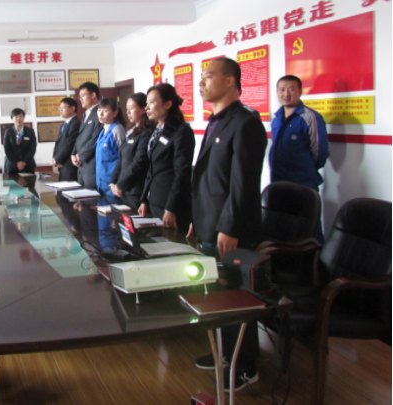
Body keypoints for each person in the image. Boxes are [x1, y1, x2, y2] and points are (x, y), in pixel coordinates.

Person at [187, 57, 267, 393]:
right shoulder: (217, 121)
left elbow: (243, 184)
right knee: (218, 295)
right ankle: (224, 353)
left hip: (231, 229)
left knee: (236, 298)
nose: (201, 83)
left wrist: (230, 227)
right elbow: (207, 178)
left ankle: (246, 366)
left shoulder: (246, 123)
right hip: (210, 222)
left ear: (231, 80)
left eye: (208, 76)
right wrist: (197, 218)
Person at [270, 75, 330, 241]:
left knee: (309, 228)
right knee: (283, 226)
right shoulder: (277, 117)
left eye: (291, 89)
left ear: (300, 91)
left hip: (303, 183)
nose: (286, 94)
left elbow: (320, 152)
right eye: (282, 90)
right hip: (279, 181)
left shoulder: (310, 117)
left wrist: (306, 169)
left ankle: (317, 257)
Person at [138, 85, 195, 231]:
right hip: (155, 200)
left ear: (168, 104)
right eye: (147, 103)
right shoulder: (156, 131)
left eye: (152, 102)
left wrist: (171, 208)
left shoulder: (181, 131)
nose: (147, 107)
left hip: (171, 205)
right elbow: (151, 168)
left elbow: (182, 173)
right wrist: (144, 199)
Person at [110, 93, 155, 210]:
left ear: (143, 110)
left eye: (131, 108)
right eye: (127, 109)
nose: (128, 112)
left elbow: (138, 162)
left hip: (135, 190)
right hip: (123, 190)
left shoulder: (147, 133)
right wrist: (113, 181)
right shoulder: (131, 131)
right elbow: (121, 158)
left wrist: (121, 184)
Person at [72, 82, 104, 189]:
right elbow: (80, 137)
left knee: (91, 196)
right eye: (79, 96)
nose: (80, 99)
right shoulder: (86, 113)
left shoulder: (99, 112)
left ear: (93, 95)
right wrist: (73, 154)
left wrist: (80, 156)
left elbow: (95, 138)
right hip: (82, 167)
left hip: (91, 166)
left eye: (83, 95)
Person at [95, 98, 127, 201]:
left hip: (113, 185)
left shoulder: (117, 130)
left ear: (115, 113)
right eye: (99, 110)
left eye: (105, 110)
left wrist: (119, 182)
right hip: (101, 184)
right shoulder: (102, 131)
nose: (101, 114)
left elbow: (125, 157)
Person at [52, 97, 81, 181]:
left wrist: (57, 159)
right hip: (62, 164)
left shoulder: (75, 123)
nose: (60, 110)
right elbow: (59, 143)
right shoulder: (65, 124)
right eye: (59, 108)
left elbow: (70, 144)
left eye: (63, 107)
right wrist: (55, 159)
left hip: (69, 165)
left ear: (72, 108)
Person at [3, 108, 37, 174]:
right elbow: (7, 149)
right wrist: (16, 163)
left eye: (21, 116)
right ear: (12, 119)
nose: (18, 119)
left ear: (23, 118)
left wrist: (24, 162)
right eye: (16, 117)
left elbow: (33, 149)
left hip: (28, 165)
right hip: (12, 166)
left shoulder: (30, 131)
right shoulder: (8, 132)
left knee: (29, 181)